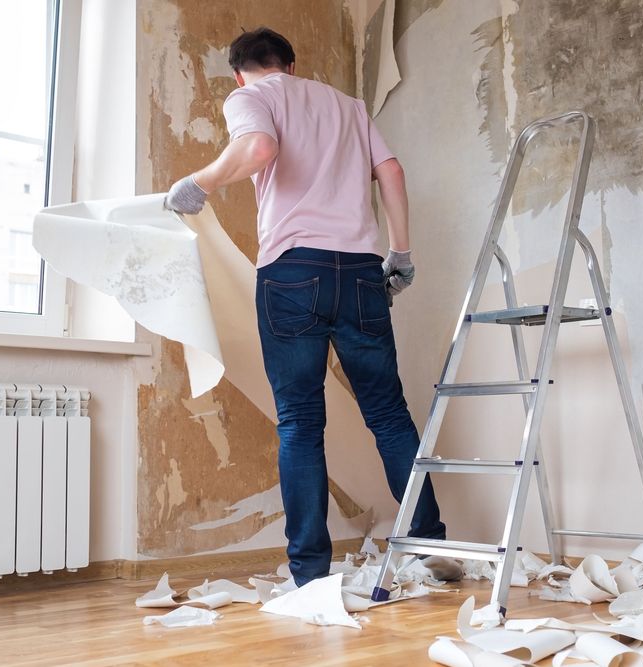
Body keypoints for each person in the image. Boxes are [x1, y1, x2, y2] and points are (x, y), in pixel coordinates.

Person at [165, 27, 459, 587]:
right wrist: (400, 251)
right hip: (360, 272)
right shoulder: (347, 105)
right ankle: (428, 544)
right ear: (292, 65)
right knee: (390, 415)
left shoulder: (249, 97)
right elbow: (391, 171)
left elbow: (259, 149)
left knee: (300, 423)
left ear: (238, 72)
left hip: (294, 271)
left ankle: (311, 575)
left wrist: (198, 182)